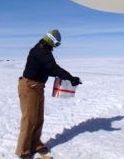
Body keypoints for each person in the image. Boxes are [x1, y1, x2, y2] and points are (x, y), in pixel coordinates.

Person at [15, 29, 82, 159]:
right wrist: (70, 77)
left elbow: (49, 69)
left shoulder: (43, 51)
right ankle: (23, 150)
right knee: (29, 120)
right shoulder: (40, 51)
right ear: (51, 40)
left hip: (38, 87)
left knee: (38, 119)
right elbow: (53, 68)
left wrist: (69, 78)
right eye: (56, 44)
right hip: (29, 87)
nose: (55, 47)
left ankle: (35, 144)